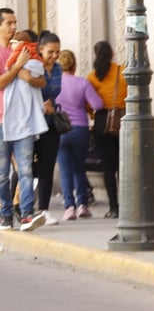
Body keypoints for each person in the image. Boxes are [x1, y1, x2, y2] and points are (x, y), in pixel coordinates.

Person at [2, 29, 48, 232]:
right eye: (8, 23)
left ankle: (27, 214)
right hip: (2, 122)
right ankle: (5, 214)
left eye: (14, 23)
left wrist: (28, 76)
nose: (12, 26)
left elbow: (40, 80)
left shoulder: (28, 54)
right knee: (2, 173)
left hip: (25, 122)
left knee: (26, 170)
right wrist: (18, 65)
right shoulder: (14, 57)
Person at [55, 49, 103, 221]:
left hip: (60, 130)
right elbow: (98, 104)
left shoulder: (53, 84)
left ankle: (69, 207)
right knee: (79, 168)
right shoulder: (82, 83)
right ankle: (83, 204)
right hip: (80, 128)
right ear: (74, 66)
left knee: (65, 169)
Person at [87, 40, 126, 219]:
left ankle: (113, 207)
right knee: (124, 165)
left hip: (102, 121)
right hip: (122, 120)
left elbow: (88, 103)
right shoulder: (123, 71)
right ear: (112, 54)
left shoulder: (93, 77)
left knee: (108, 167)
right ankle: (128, 205)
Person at [34, 31, 63, 225]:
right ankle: (11, 206)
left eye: (57, 52)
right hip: (32, 122)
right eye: (50, 52)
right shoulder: (33, 67)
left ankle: (43, 210)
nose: (54, 56)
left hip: (51, 123)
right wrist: (40, 104)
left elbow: (55, 91)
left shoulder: (59, 68)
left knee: (47, 166)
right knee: (24, 167)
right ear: (40, 50)